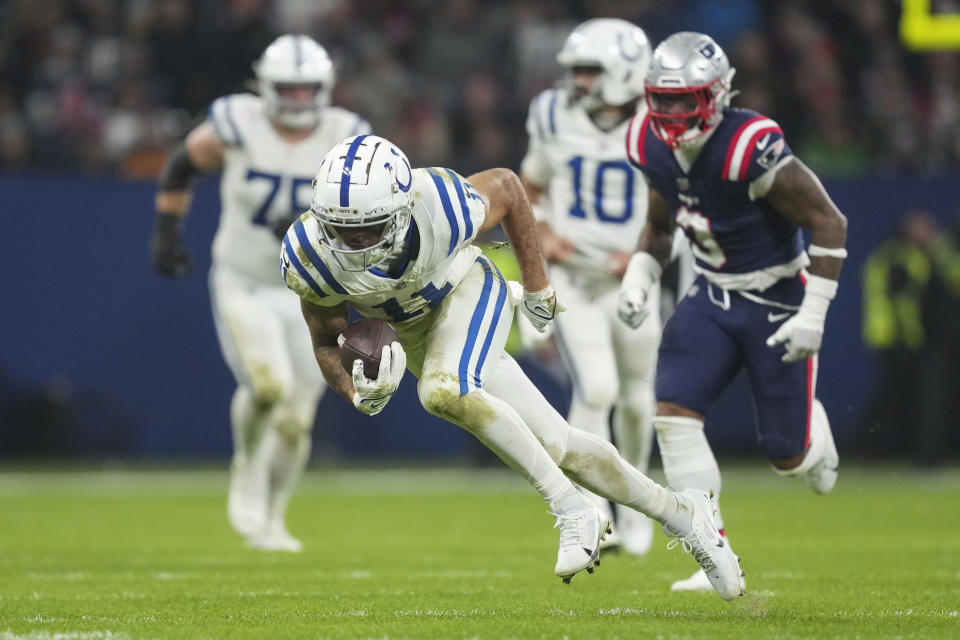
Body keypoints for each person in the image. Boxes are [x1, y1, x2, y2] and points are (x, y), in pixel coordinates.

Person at [281, 133, 745, 600]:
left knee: (443, 392)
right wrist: (358, 394)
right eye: (341, 230)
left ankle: (573, 510)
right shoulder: (309, 256)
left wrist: (538, 284)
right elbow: (325, 341)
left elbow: (507, 187)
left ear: (402, 210)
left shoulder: (439, 203)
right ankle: (686, 516)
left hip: (467, 286)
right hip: (418, 334)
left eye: (369, 228)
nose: (354, 243)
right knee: (560, 445)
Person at [618, 32, 847, 592]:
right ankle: (711, 549)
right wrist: (640, 277)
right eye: (661, 99)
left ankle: (813, 439)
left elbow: (829, 222)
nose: (670, 113)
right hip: (713, 295)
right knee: (671, 413)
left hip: (775, 299)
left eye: (683, 99)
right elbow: (661, 225)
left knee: (786, 457)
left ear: (716, 95)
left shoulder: (749, 143)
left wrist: (813, 313)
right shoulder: (646, 141)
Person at [149, 35, 372, 552]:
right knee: (268, 388)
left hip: (313, 295)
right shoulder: (238, 121)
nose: (297, 100)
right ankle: (246, 471)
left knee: (297, 419)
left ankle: (272, 519)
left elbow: (375, 206)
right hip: (245, 280)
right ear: (265, 86)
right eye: (287, 89)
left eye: (307, 89)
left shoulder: (347, 135)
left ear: (325, 88)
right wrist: (167, 228)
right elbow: (183, 162)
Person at [518, 18, 660, 556]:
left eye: (588, 70)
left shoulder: (657, 122)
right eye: (575, 70)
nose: (577, 81)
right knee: (596, 387)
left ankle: (638, 504)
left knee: (637, 397)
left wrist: (646, 250)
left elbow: (679, 201)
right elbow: (530, 187)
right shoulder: (552, 114)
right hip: (575, 278)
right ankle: (594, 508)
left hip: (635, 281)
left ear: (625, 71)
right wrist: (544, 231)